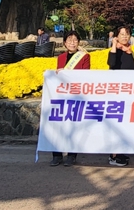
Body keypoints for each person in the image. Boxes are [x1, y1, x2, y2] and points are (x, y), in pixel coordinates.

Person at [51, 30, 90, 167]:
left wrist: (67, 73)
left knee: (74, 125)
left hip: (77, 95)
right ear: (64, 43)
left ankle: (72, 155)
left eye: (75, 40)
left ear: (78, 42)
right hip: (62, 96)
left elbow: (85, 75)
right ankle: (56, 155)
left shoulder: (84, 57)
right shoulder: (61, 57)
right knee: (58, 125)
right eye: (69, 40)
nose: (72, 43)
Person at [107, 26, 134, 167]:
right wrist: (114, 45)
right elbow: (111, 63)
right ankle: (113, 155)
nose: (125, 37)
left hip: (128, 93)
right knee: (116, 124)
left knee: (125, 124)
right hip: (117, 93)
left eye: (127, 34)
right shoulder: (115, 50)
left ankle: (120, 151)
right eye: (121, 34)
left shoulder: (129, 51)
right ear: (116, 36)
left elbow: (133, 68)